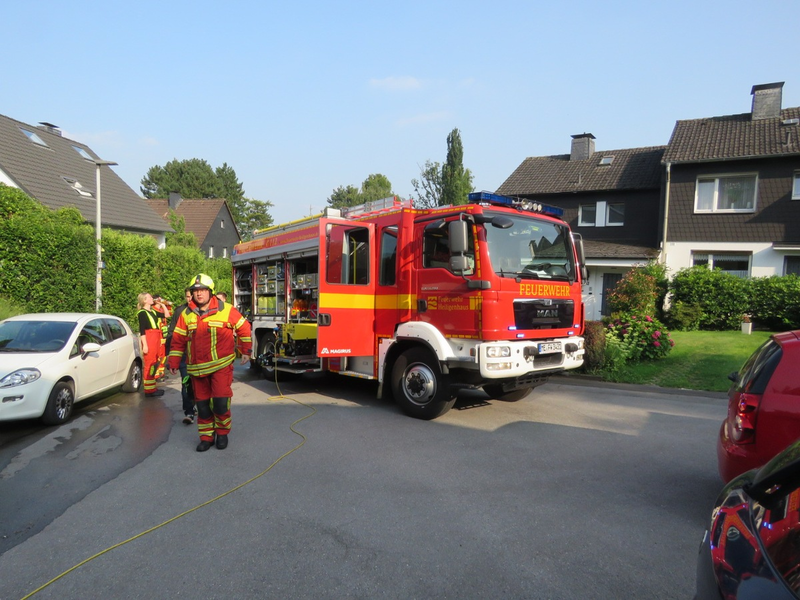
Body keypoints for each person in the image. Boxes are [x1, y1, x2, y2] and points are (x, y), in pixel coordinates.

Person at [168, 274, 252, 452]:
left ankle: (222, 434)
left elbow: (244, 327)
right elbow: (178, 340)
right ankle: (206, 437)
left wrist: (246, 350)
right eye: (195, 291)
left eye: (203, 290)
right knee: (203, 407)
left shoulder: (226, 310)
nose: (199, 294)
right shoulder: (185, 314)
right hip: (197, 370)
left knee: (221, 404)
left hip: (221, 367)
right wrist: (174, 361)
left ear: (210, 292)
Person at [166, 289, 195, 424]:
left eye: (191, 296)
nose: (189, 299)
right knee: (186, 383)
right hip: (184, 356)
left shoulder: (203, 311)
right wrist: (170, 358)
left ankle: (201, 407)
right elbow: (172, 332)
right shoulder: (180, 311)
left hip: (200, 356)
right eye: (187, 297)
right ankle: (189, 412)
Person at [136, 292, 168, 397]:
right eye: (149, 297)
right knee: (149, 364)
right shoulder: (142, 313)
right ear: (144, 300)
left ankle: (153, 387)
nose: (151, 298)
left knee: (155, 362)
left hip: (156, 337)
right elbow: (142, 331)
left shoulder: (153, 311)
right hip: (149, 338)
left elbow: (167, 315)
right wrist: (145, 345)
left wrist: (163, 304)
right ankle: (149, 391)